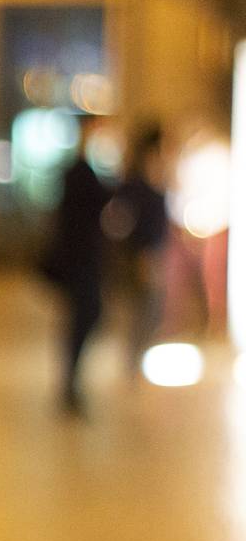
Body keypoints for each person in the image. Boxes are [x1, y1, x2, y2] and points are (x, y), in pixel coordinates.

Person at [42, 118, 111, 416]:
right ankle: (70, 383)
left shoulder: (81, 170)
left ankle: (70, 382)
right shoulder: (78, 171)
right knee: (84, 317)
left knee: (83, 318)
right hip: (79, 259)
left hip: (82, 258)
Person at [106, 122, 169, 373]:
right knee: (141, 311)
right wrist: (141, 253)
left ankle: (136, 363)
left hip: (153, 254)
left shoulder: (155, 179)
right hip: (140, 256)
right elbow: (122, 221)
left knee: (152, 311)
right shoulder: (135, 184)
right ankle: (133, 365)